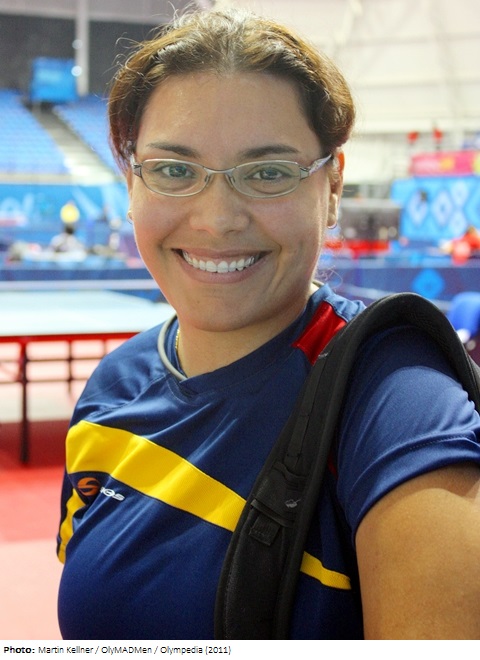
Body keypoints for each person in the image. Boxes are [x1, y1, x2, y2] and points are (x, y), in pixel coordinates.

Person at [57, 8, 480, 640]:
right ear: (131, 181)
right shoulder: (114, 387)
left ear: (331, 187)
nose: (217, 219)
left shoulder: (397, 405)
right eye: (174, 170)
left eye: (268, 173)